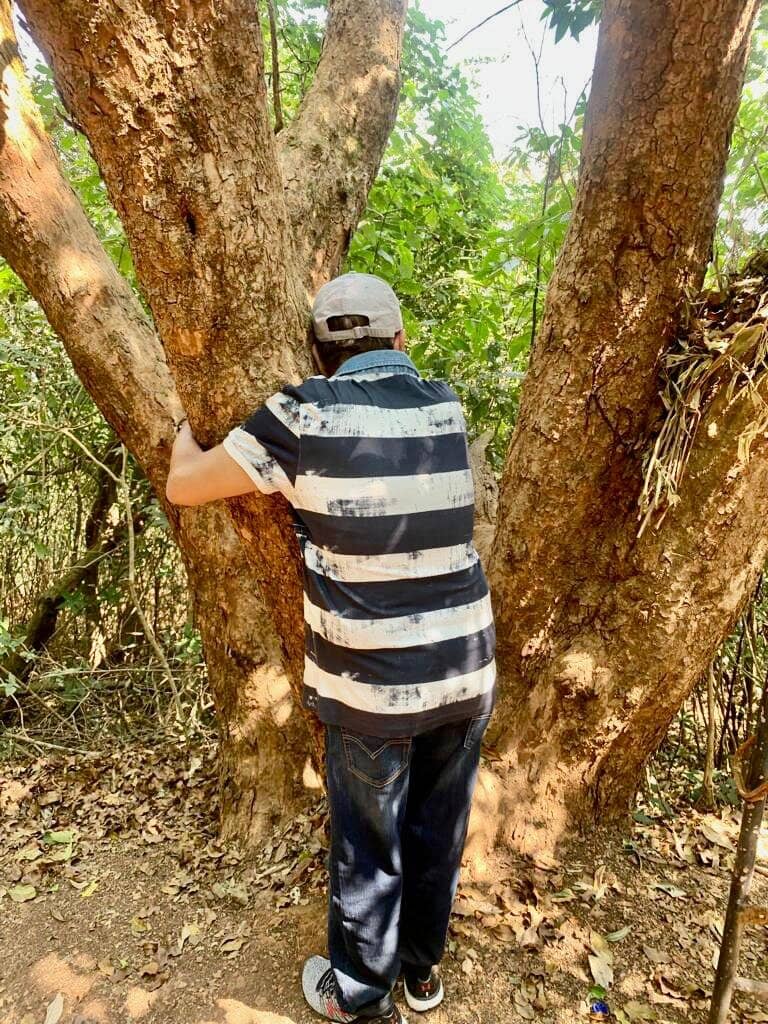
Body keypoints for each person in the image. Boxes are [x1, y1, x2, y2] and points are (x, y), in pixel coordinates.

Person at [166, 272, 496, 1024]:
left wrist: (186, 435)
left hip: (371, 681)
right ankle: (421, 974)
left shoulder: (303, 415)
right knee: (437, 828)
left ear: (318, 352)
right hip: (464, 668)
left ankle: (358, 987)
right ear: (402, 341)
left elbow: (186, 486)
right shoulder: (444, 403)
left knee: (369, 840)